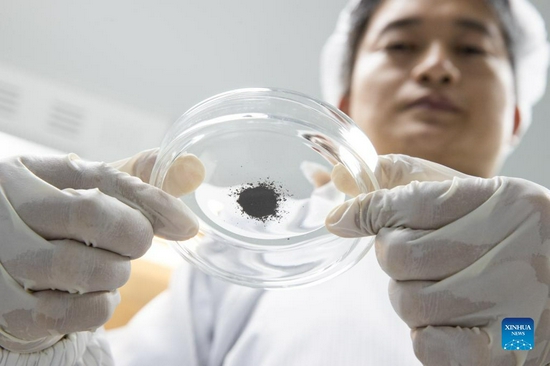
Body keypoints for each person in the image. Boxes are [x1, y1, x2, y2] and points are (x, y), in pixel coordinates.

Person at [0, 0, 548, 365]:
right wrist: (32, 339)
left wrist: (533, 338)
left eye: (472, 49)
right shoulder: (250, 256)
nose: (436, 67)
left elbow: (511, 339)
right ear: (347, 102)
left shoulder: (534, 282)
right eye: (400, 46)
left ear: (517, 117)